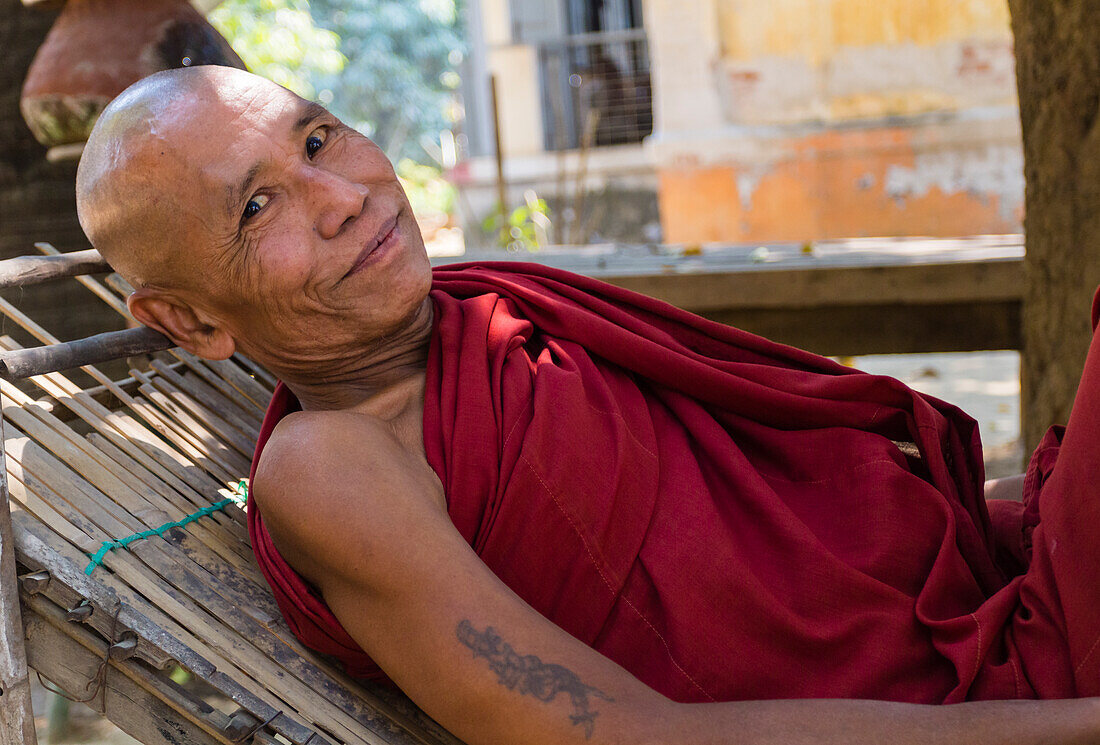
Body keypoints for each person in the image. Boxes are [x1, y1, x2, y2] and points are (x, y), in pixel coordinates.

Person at [73, 64, 1100, 744]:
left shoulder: (492, 312)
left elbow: (804, 524)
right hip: (1004, 704)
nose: (342, 195)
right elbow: (636, 736)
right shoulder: (331, 464)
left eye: (318, 140)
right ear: (189, 319)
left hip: (1009, 601)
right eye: (258, 207)